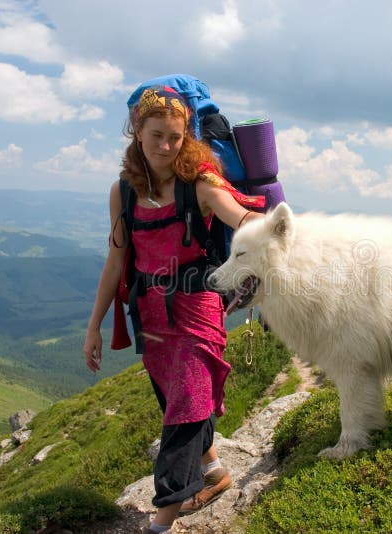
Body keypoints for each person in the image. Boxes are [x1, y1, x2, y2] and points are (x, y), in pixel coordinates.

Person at [83, 85, 264, 534]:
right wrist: (95, 326)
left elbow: (239, 217)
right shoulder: (123, 191)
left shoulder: (201, 182)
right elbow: (116, 260)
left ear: (187, 136)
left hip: (197, 305)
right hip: (150, 312)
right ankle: (215, 473)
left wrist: (268, 227)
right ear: (137, 132)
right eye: (157, 135)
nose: (166, 146)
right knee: (176, 399)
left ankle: (161, 522)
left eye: (176, 137)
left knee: (184, 407)